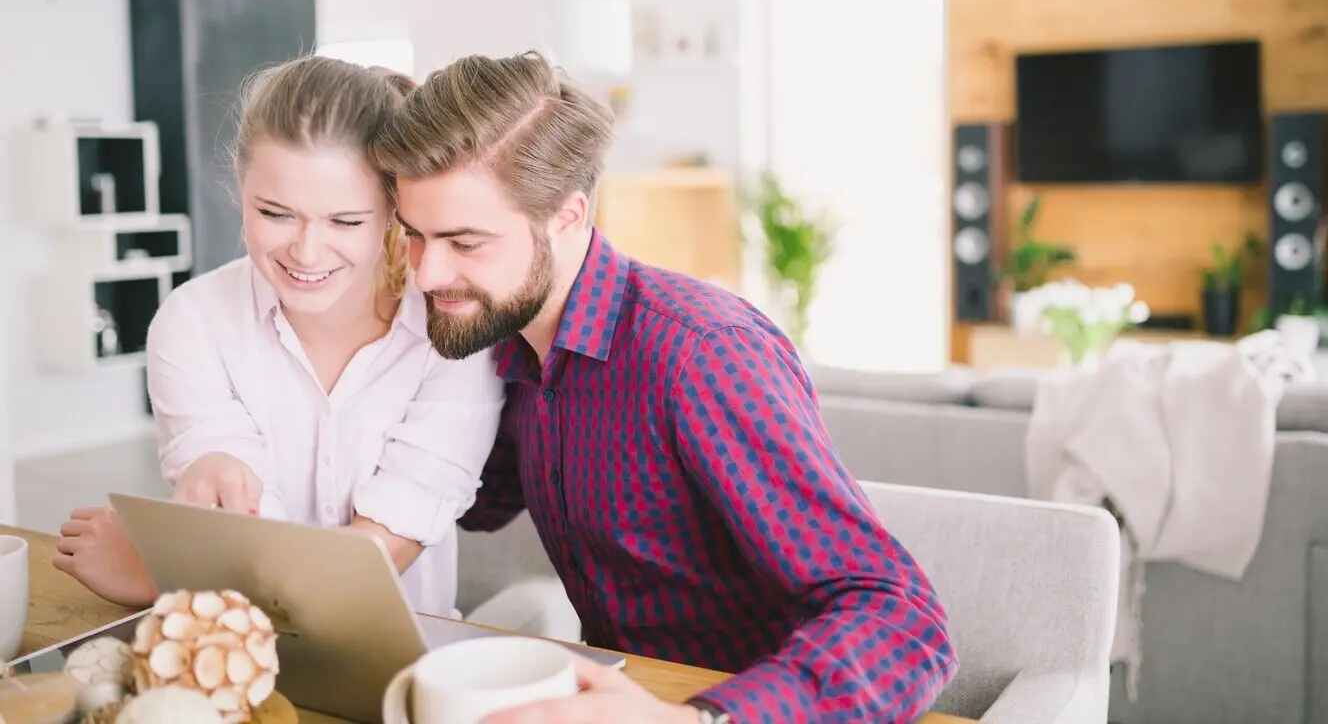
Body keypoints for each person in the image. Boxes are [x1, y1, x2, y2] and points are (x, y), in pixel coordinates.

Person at [369, 51, 958, 723]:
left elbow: (905, 622)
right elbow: (468, 503)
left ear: (568, 216)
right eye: (414, 236)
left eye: (465, 242)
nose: (426, 272)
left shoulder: (700, 357)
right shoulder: (506, 346)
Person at [54, 56, 505, 618]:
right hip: (228, 647)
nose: (307, 253)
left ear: (394, 213)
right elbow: (239, 549)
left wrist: (158, 577)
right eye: (275, 213)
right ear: (240, 189)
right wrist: (211, 483)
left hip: (406, 670)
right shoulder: (192, 323)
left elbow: (381, 547)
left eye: (346, 221)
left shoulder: (449, 329)